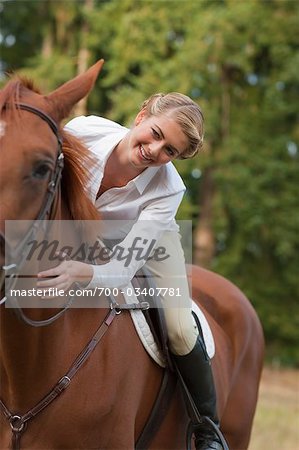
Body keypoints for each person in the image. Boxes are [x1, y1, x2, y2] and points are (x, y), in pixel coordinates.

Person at [37, 92, 225, 450]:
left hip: (150, 242)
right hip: (83, 228)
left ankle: (207, 429)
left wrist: (86, 274)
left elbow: (122, 269)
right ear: (141, 117)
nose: (155, 150)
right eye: (156, 133)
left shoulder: (168, 190)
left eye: (169, 150)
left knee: (182, 329)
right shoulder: (81, 131)